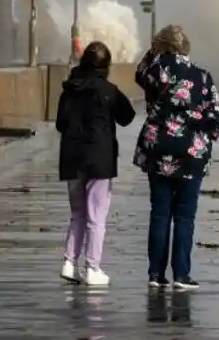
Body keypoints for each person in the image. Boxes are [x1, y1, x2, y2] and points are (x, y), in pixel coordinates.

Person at [133, 24, 219, 291]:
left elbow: (139, 74)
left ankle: (155, 274)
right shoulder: (203, 77)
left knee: (160, 213)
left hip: (159, 149)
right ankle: (182, 276)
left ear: (161, 47)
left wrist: (152, 53)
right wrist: (205, 134)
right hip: (192, 153)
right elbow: (216, 114)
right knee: (185, 216)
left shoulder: (154, 71)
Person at [56, 40, 137, 286]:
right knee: (96, 215)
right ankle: (93, 267)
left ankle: (70, 263)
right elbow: (128, 117)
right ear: (106, 66)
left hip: (72, 158)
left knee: (78, 213)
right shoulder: (108, 90)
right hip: (99, 160)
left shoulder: (68, 90)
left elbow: (60, 124)